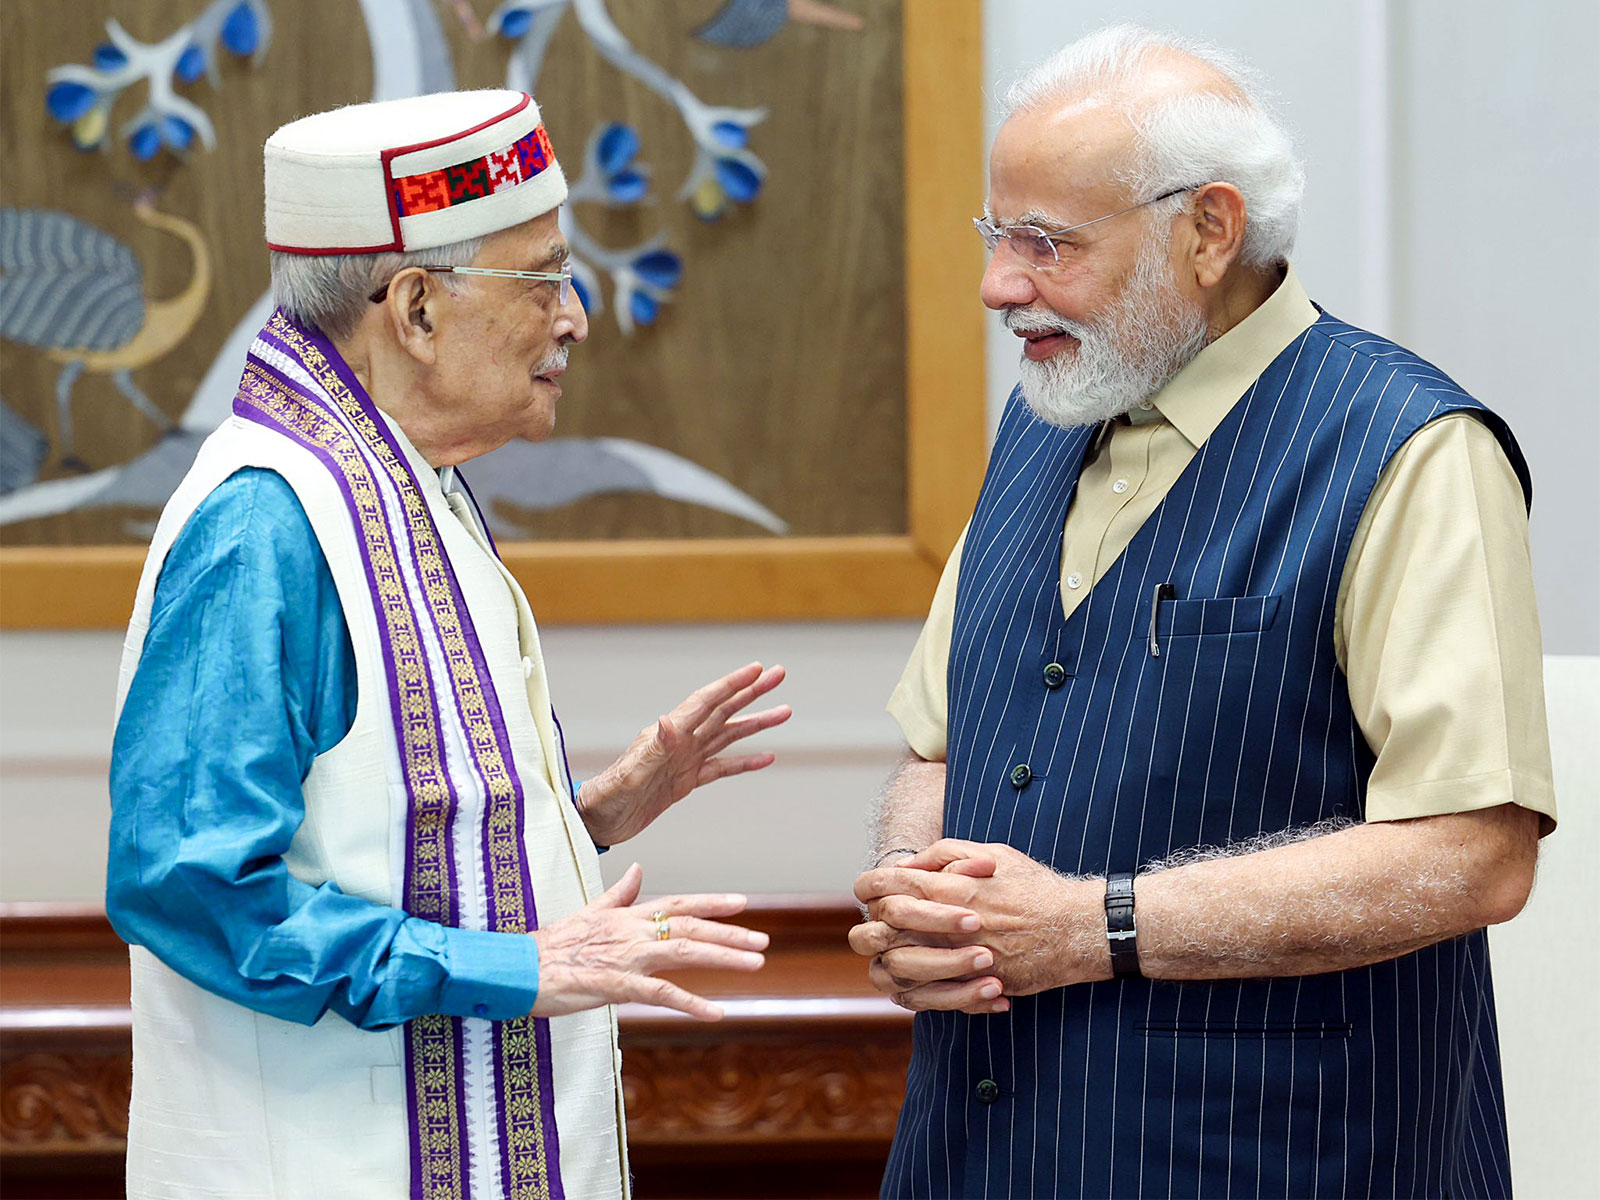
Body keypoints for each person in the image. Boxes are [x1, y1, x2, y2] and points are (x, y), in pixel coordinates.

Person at [849, 25, 1555, 1200]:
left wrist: (1091, 926)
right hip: (979, 1157)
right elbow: (940, 746)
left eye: (1047, 242)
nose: (997, 284)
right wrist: (917, 888)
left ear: (1208, 230)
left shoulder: (1410, 450)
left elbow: (1475, 856)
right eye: (996, 235)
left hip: (1281, 1160)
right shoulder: (1043, 418)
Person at [107, 90, 790, 1200]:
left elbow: (377, 828)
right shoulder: (264, 523)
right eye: (542, 279)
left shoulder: (411, 484)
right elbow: (191, 888)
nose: (574, 317)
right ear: (415, 310)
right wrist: (512, 967)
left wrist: (591, 811)